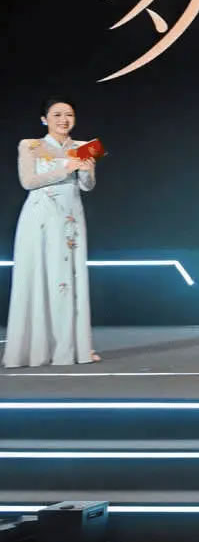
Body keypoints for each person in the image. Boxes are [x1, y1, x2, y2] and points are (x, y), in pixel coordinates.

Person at [5, 98, 98, 369]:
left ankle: (73, 348)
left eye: (69, 114)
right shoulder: (30, 145)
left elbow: (88, 186)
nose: (63, 120)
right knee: (39, 275)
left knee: (69, 278)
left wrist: (87, 170)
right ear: (44, 119)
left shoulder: (85, 146)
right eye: (57, 115)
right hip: (40, 217)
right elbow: (28, 181)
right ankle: (35, 349)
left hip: (71, 218)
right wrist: (66, 168)